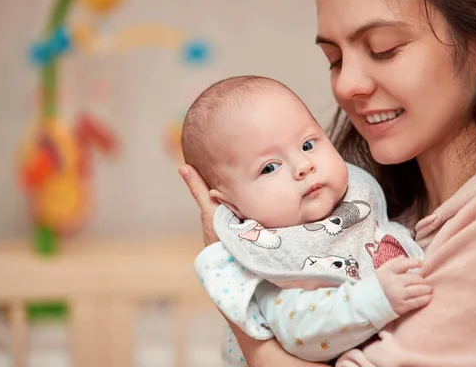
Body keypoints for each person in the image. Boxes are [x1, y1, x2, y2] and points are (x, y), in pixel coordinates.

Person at [179, 0, 476, 365]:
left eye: (383, 49)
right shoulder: (388, 210)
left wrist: (231, 282)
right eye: (334, 59)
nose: (345, 86)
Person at [181, 75, 428, 366]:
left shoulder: (359, 203)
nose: (303, 166)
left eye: (309, 145)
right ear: (230, 204)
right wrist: (373, 301)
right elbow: (300, 336)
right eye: (270, 167)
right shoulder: (269, 267)